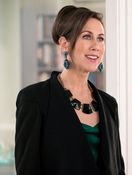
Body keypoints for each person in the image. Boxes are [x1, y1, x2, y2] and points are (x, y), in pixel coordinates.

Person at [15, 5, 125, 175]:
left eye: (101, 38)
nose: (96, 46)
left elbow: (118, 169)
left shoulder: (110, 104)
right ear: (64, 44)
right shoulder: (34, 99)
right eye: (87, 37)